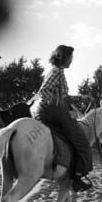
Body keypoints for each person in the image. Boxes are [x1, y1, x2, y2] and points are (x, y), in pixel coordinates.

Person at [32, 45, 93, 192]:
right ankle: (77, 175)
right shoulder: (58, 72)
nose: (71, 60)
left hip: (45, 111)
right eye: (70, 57)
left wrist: (82, 97)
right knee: (81, 141)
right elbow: (44, 91)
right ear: (64, 58)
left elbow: (63, 95)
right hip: (53, 111)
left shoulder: (54, 71)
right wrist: (56, 104)